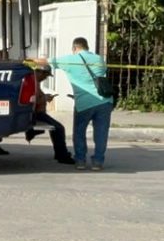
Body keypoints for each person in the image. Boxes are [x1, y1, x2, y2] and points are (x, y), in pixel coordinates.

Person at [50, 37, 115, 171]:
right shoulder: (99, 59)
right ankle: (98, 162)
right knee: (101, 133)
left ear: (75, 48)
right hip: (104, 101)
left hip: (84, 103)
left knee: (79, 132)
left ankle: (80, 161)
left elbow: (47, 61)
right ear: (87, 47)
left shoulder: (70, 59)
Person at [23, 65, 75, 165]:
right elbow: (31, 100)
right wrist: (45, 98)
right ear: (40, 72)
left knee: (55, 128)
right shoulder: (32, 82)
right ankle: (62, 155)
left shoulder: (35, 82)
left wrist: (45, 97)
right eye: (45, 75)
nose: (45, 78)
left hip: (38, 113)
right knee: (59, 128)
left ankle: (59, 153)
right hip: (36, 114)